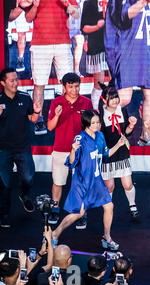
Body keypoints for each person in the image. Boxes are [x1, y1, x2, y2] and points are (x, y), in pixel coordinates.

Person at [51, 110, 126, 250]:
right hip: (82, 182)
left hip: (97, 181)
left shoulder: (100, 136)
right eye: (93, 123)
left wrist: (119, 145)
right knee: (78, 213)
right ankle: (55, 233)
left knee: (109, 206)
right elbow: (71, 162)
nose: (97, 125)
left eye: (98, 122)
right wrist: (73, 150)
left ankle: (107, 237)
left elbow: (106, 153)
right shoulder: (80, 139)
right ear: (86, 124)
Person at [105, 0, 150, 143]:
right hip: (127, 49)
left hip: (146, 48)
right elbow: (124, 16)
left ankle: (145, 136)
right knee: (124, 97)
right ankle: (107, 130)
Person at [25, 0, 80, 136]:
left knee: (69, 84)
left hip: (62, 43)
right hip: (40, 43)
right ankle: (39, 118)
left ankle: (68, 117)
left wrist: (67, 4)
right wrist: (36, 5)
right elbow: (28, 18)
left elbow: (77, 14)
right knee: (39, 84)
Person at [46, 72, 93, 226]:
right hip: (61, 149)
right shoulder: (56, 103)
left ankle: (81, 212)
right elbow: (50, 127)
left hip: (81, 151)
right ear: (64, 87)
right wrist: (57, 115)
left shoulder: (86, 102)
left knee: (81, 183)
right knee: (58, 182)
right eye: (71, 87)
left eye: (77, 86)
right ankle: (55, 209)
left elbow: (92, 127)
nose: (74, 90)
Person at [0, 68, 40, 228]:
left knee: (28, 177)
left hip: (22, 147)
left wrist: (36, 111)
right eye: (11, 80)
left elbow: (33, 119)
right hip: (3, 149)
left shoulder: (24, 97)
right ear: (3, 83)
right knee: (5, 184)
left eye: (16, 79)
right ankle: (4, 214)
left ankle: (24, 195)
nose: (16, 83)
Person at [98, 84, 139, 219]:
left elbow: (125, 133)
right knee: (109, 187)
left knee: (127, 184)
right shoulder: (100, 114)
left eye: (116, 97)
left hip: (122, 153)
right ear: (104, 100)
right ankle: (108, 208)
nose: (115, 101)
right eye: (112, 98)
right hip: (108, 154)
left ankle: (133, 205)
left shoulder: (122, 110)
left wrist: (131, 125)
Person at [81, 0, 110, 110]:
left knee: (114, 82)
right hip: (97, 47)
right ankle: (95, 109)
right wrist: (97, 27)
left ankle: (111, 110)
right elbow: (84, 28)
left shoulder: (115, 2)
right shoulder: (89, 3)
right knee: (99, 83)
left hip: (113, 47)